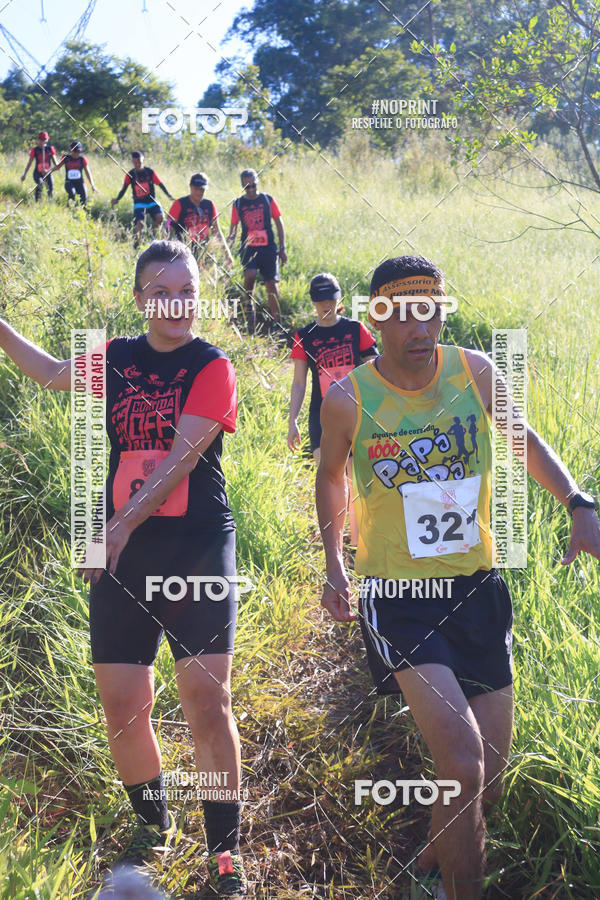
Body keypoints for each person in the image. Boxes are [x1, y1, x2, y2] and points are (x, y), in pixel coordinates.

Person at [315, 255, 600, 900]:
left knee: (486, 774)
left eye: (431, 311)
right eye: (403, 315)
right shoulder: (348, 398)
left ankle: (432, 871)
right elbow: (330, 476)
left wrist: (578, 503)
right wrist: (335, 561)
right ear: (377, 321)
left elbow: (519, 434)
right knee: (463, 759)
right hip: (398, 595)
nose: (421, 327)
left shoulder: (474, 371)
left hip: (476, 587)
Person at [0, 241, 248, 899]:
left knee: (205, 700)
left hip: (193, 545)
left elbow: (179, 459)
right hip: (124, 552)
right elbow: (52, 372)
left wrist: (116, 527)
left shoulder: (212, 364)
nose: (178, 303)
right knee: (121, 703)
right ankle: (154, 827)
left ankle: (225, 855)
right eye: (162, 290)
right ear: (139, 298)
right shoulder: (115, 359)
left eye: (188, 289)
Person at [288, 272, 377, 545]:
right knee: (330, 477)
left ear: (340, 300)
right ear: (313, 303)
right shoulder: (304, 337)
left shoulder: (355, 329)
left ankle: (358, 545)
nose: (325, 305)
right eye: (320, 300)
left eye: (331, 299)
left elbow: (376, 367)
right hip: (322, 415)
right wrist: (292, 419)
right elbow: (300, 383)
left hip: (356, 413)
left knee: (356, 478)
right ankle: (335, 544)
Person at [227, 169, 286, 335]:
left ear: (257, 183)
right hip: (249, 248)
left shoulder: (267, 200)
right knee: (250, 274)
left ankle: (276, 322)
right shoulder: (238, 204)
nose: (251, 189)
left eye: (253, 185)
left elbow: (279, 223)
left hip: (268, 248)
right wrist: (227, 252)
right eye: (247, 186)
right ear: (242, 186)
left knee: (271, 284)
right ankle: (248, 306)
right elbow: (233, 230)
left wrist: (282, 248)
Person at [166, 172, 234, 270]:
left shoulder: (209, 205)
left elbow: (217, 232)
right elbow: (168, 225)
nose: (199, 192)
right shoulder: (179, 204)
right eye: (196, 189)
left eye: (201, 189)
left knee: (209, 280)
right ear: (190, 187)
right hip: (184, 252)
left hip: (205, 251)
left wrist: (228, 255)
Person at [112, 151, 174, 243]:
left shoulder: (150, 172)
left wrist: (169, 195)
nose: (137, 165)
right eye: (135, 163)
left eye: (139, 162)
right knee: (140, 223)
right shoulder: (130, 175)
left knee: (160, 217)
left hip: (152, 201)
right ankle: (138, 243)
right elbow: (123, 189)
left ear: (143, 161)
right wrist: (117, 199)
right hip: (139, 203)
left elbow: (160, 184)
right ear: (132, 162)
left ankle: (152, 236)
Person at [50, 141, 97, 205]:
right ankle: (71, 210)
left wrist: (92, 185)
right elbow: (58, 167)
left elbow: (88, 172)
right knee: (72, 193)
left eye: (78, 151)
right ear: (71, 150)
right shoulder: (66, 158)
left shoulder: (82, 159)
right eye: (74, 151)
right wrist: (48, 171)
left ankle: (83, 211)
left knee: (84, 196)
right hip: (69, 183)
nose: (76, 153)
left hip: (80, 182)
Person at [21, 131, 57, 201]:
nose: (43, 141)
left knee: (51, 187)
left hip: (48, 173)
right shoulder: (35, 150)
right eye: (41, 139)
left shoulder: (50, 149)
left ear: (47, 140)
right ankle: (37, 202)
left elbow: (56, 164)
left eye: (44, 139)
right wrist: (24, 174)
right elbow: (29, 163)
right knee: (40, 183)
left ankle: (50, 202)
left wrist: (48, 171)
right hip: (37, 173)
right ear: (38, 139)